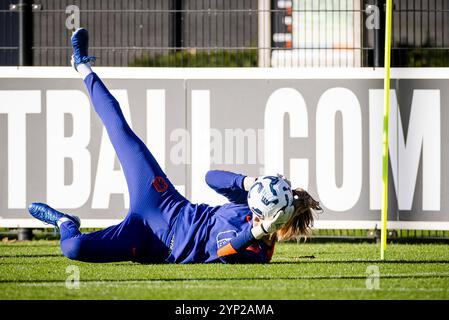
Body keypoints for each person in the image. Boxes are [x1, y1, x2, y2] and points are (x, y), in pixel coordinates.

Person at [28, 28, 322, 264]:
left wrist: (261, 230)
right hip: (164, 204)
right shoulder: (247, 203)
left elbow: (224, 251)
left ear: (277, 220)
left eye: (263, 214)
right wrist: (251, 182)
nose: (256, 213)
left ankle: (65, 221)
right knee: (121, 132)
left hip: (149, 242)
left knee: (75, 248)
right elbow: (211, 178)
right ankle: (82, 66)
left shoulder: (258, 252)